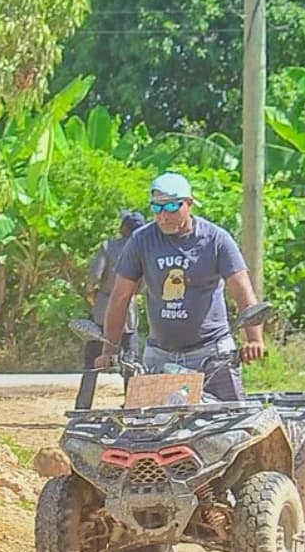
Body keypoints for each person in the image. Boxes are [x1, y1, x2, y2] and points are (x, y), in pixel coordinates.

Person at [99, 172, 264, 402]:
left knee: (234, 422)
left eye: (172, 207)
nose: (164, 216)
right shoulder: (141, 240)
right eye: (157, 209)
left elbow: (243, 291)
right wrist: (109, 349)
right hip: (159, 356)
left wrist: (254, 339)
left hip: (212, 354)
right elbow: (120, 298)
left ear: (189, 204)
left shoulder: (216, 240)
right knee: (147, 427)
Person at [77, 209, 144, 409]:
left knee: (91, 362)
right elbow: (143, 284)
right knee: (131, 363)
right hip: (129, 312)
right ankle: (132, 406)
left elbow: (93, 279)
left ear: (123, 227)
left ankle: (83, 407)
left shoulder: (108, 247)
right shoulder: (142, 249)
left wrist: (92, 297)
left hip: (103, 308)